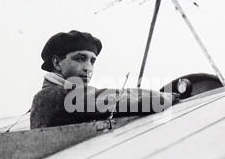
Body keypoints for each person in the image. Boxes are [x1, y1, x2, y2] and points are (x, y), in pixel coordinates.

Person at [30, 30, 179, 129]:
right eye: (80, 59)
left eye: (92, 61)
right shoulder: (54, 95)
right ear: (57, 63)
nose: (88, 68)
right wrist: (167, 97)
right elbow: (115, 100)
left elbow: (111, 95)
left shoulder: (68, 93)